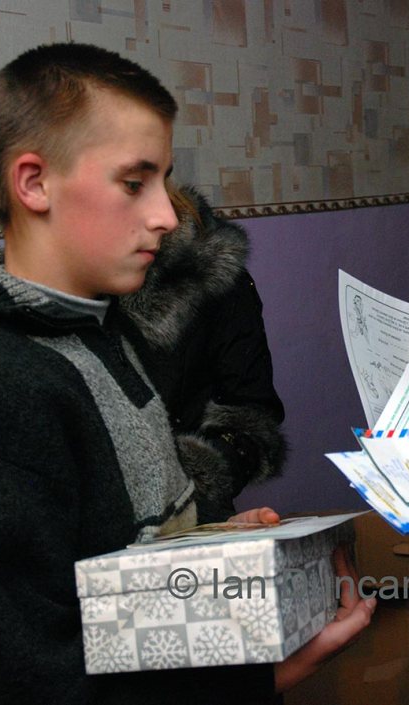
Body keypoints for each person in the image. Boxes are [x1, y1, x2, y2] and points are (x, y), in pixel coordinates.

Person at [0, 42, 373, 705]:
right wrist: (264, 677)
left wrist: (200, 541)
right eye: (133, 182)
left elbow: (111, 555)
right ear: (34, 183)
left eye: (164, 180)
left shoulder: (97, 335)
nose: (169, 216)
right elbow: (31, 685)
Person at [121, 185, 288, 523]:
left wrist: (186, 489)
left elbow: (252, 417)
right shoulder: (46, 291)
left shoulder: (207, 270)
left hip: (192, 520)